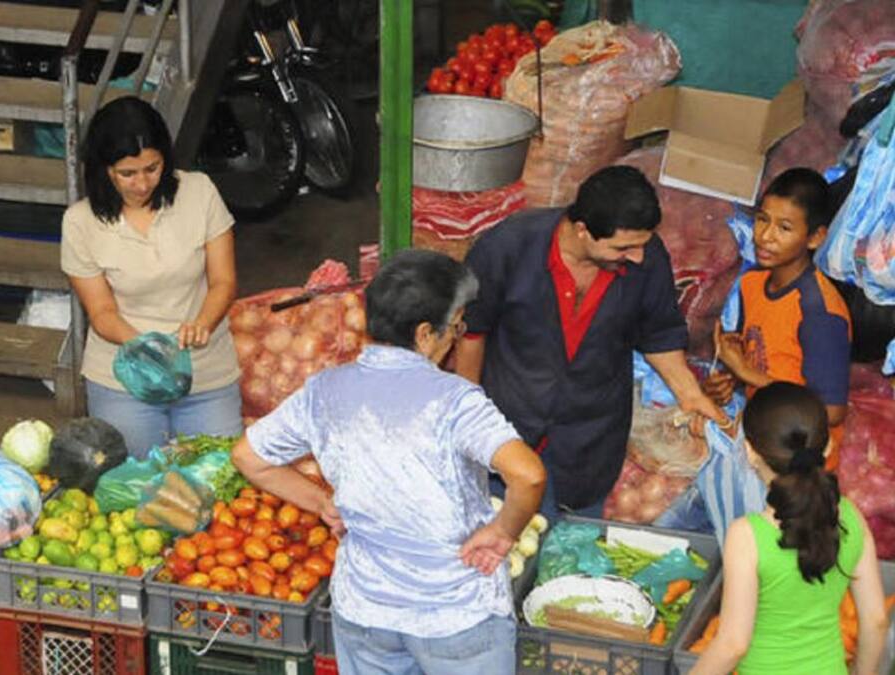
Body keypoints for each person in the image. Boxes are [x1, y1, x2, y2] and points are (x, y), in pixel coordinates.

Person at [233, 250, 547, 675]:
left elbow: (249, 458)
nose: (458, 336)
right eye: (456, 326)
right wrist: (502, 532)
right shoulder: (456, 401)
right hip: (454, 616)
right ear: (424, 334)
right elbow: (527, 475)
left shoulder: (324, 390)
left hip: (366, 612)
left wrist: (323, 502)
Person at [455, 165, 725, 520]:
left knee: (569, 546)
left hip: (590, 439)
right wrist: (470, 419)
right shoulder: (507, 247)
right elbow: (472, 334)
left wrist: (691, 397)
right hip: (509, 427)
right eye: (623, 247)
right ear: (582, 230)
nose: (638, 256)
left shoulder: (647, 257)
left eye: (641, 245)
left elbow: (658, 334)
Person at [61, 97, 241, 457]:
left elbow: (224, 282)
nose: (142, 183)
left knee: (219, 478)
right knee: (134, 488)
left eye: (152, 168)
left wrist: (202, 323)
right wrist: (150, 350)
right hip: (123, 380)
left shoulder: (199, 192)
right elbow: (101, 313)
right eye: (127, 173)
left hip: (206, 372)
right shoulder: (80, 222)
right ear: (103, 170)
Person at [690, 382, 887, 675]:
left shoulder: (747, 536)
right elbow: (876, 620)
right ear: (828, 445)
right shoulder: (850, 516)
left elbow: (733, 645)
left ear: (750, 452)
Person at [703, 168, 851, 470]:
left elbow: (832, 412)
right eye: (761, 220)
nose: (766, 236)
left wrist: (746, 373)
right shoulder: (752, 284)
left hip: (799, 466)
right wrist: (730, 380)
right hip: (758, 445)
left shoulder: (820, 312)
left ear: (815, 238)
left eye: (784, 228)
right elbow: (761, 355)